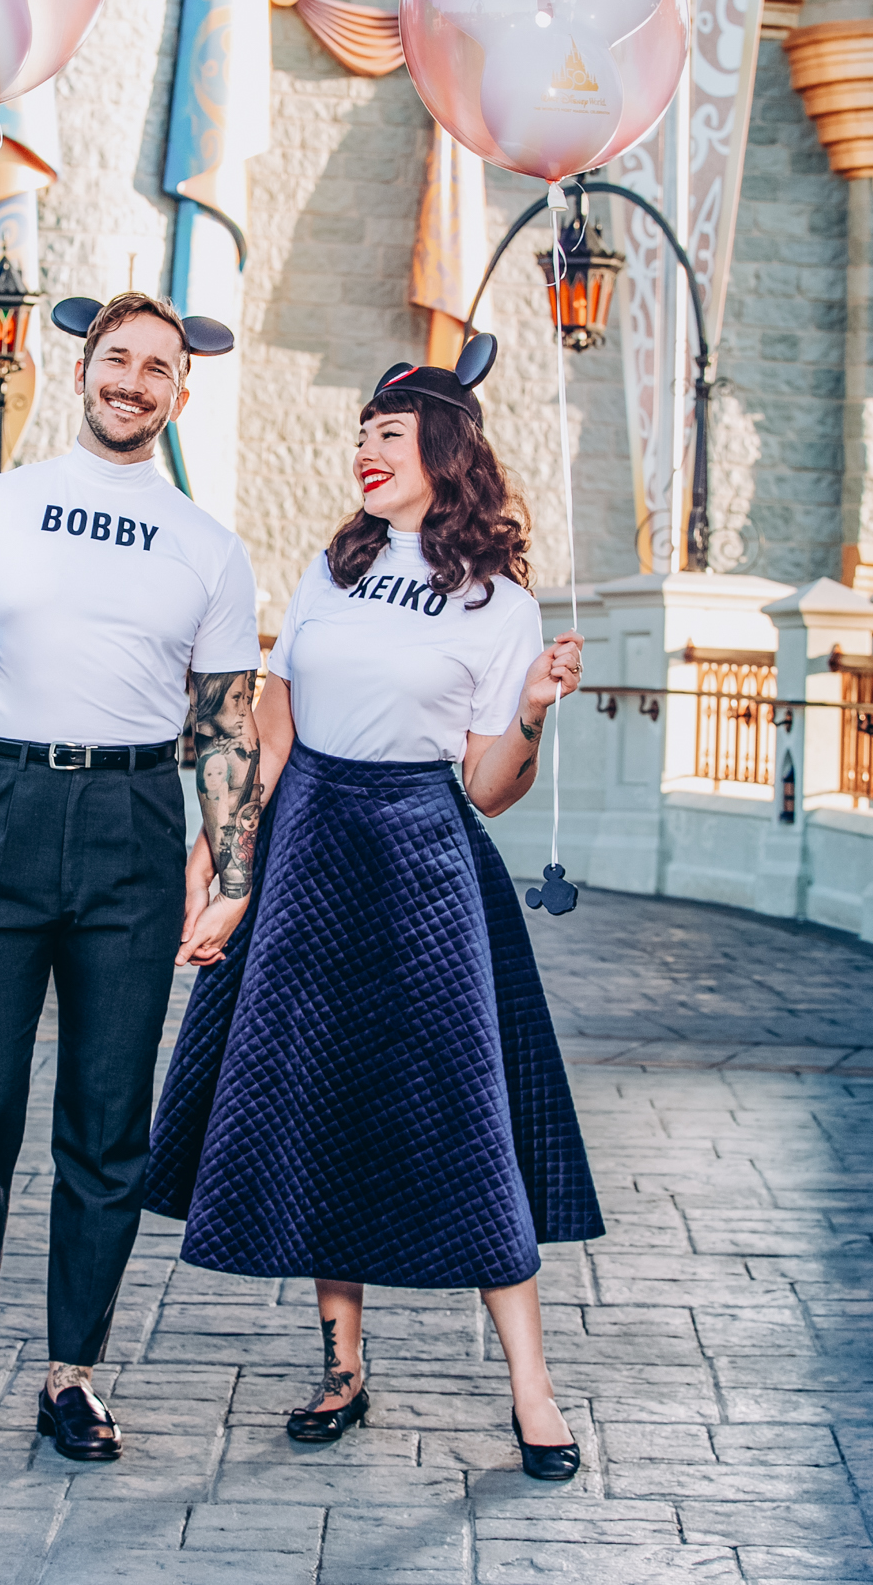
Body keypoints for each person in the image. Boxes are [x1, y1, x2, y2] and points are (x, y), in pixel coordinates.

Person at [145, 355, 604, 1482]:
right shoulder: (332, 565)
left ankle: (531, 1390)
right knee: (315, 1098)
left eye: (391, 433)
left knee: (466, 1111)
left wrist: (533, 713)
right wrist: (223, 854)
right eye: (362, 429)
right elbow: (273, 726)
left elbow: (488, 784)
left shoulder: (498, 600)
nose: (366, 447)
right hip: (308, 845)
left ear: (445, 451)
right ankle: (340, 1364)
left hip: (421, 857)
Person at [0, 292, 262, 1462]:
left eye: (157, 367)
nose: (134, 381)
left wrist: (233, 874)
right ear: (83, 371)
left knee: (106, 1125)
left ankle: (72, 1373)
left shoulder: (209, 546)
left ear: (178, 392)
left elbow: (227, 728)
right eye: (117, 360)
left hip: (132, 823)